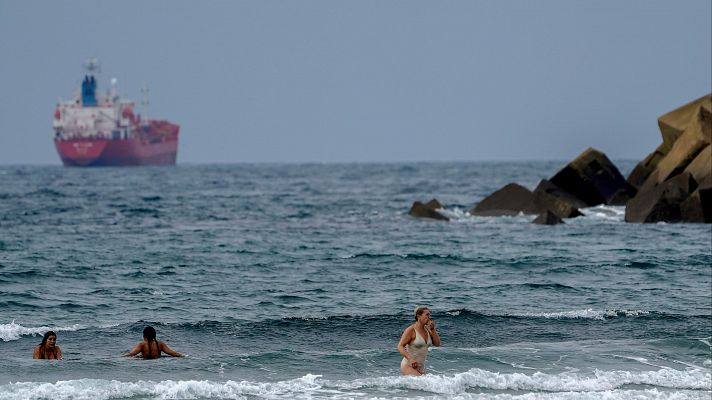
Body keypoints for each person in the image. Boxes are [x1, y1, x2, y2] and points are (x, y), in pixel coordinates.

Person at [397, 306, 440, 375]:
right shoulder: (411, 330)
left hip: (421, 368)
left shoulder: (428, 329)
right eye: (427, 315)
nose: (429, 317)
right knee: (425, 383)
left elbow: (437, 344)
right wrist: (410, 359)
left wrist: (433, 329)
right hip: (408, 365)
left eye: (429, 315)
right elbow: (400, 346)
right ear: (419, 316)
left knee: (427, 384)